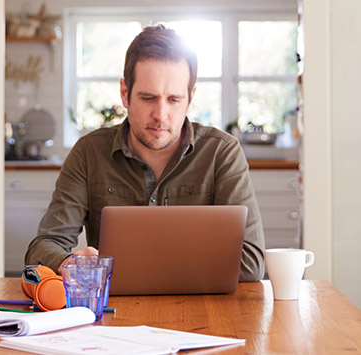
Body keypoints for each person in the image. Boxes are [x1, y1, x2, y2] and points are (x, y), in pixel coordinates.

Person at [25, 24, 265, 282]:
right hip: (116, 314)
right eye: (148, 98)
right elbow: (42, 248)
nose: (161, 115)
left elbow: (251, 264)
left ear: (190, 98)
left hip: (202, 313)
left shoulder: (221, 153)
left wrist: (149, 265)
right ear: (125, 94)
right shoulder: (88, 153)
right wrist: (67, 262)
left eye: (174, 99)